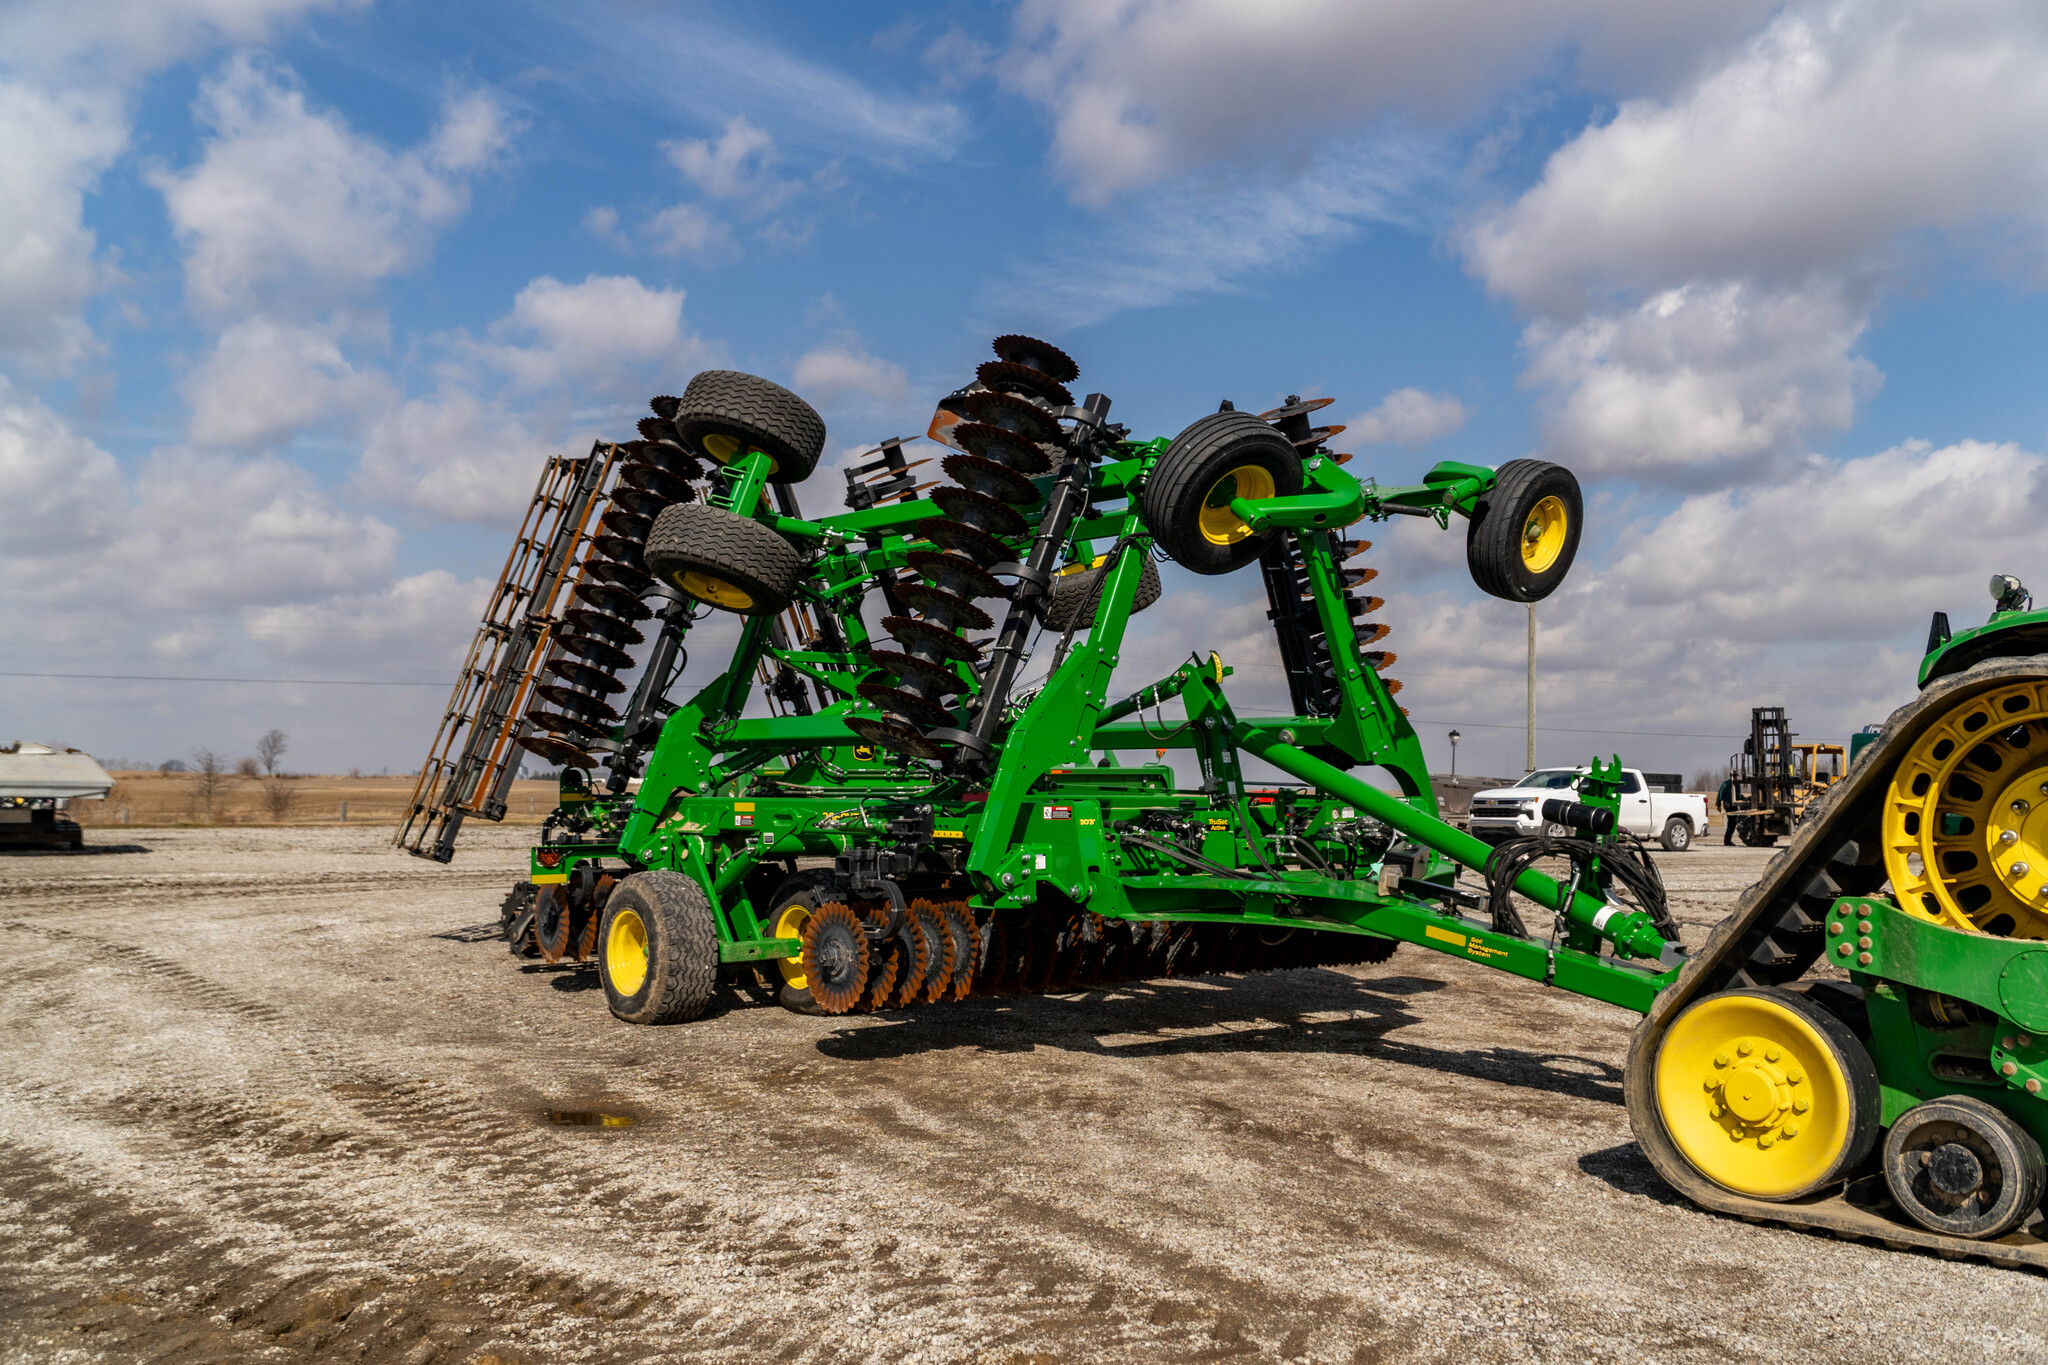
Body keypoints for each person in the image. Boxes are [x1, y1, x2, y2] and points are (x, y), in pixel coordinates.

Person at [1716, 776, 1738, 846]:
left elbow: (1738, 796)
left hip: (1734, 804)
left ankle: (1728, 841)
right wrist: (1718, 805)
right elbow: (1720, 794)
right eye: (1735, 776)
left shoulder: (1736, 784)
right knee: (1731, 822)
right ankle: (1727, 841)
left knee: (1733, 822)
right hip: (1728, 803)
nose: (1736, 778)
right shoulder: (1726, 784)